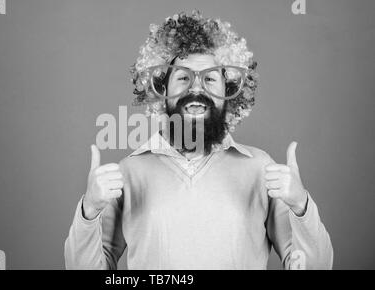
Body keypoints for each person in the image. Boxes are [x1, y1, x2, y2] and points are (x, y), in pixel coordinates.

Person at [64, 10, 333, 270]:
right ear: (161, 89)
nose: (196, 88)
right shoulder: (127, 173)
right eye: (182, 77)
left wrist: (301, 205)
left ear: (229, 92)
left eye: (210, 79)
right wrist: (89, 210)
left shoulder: (261, 169)